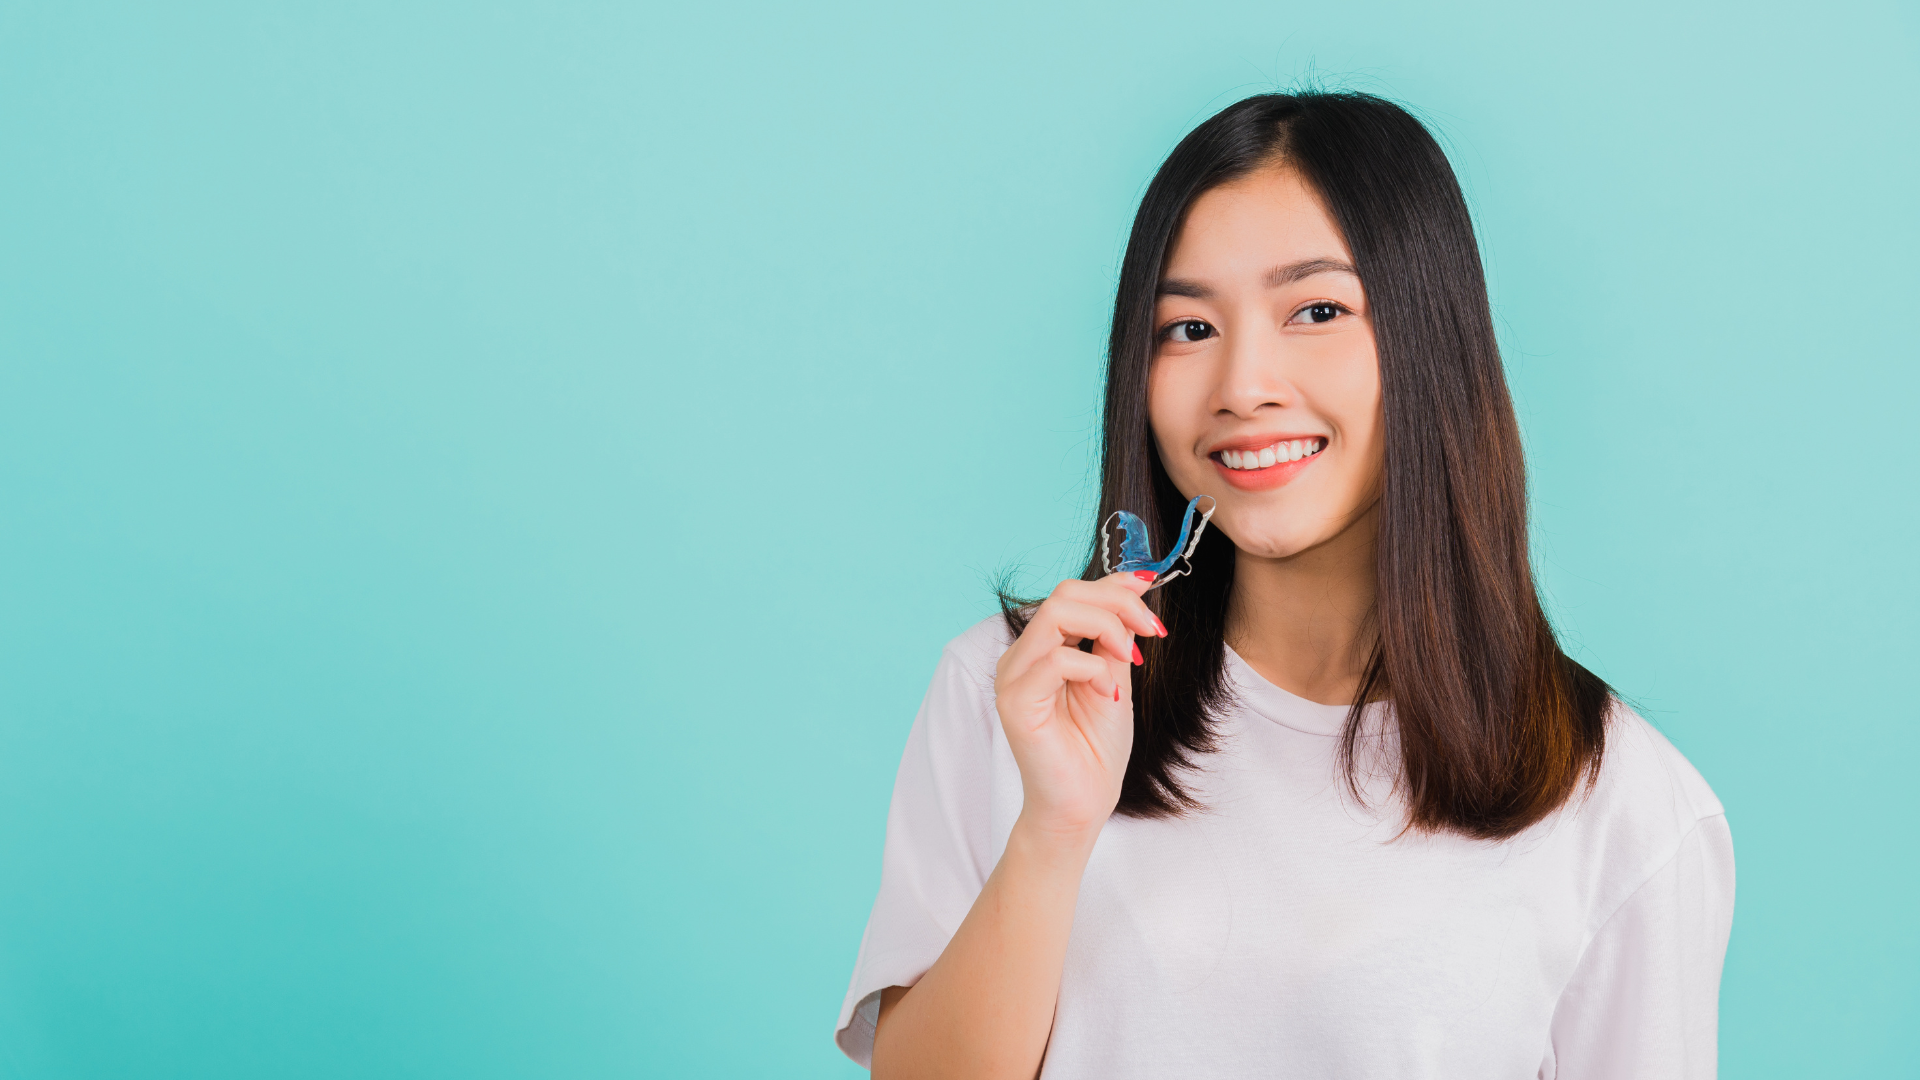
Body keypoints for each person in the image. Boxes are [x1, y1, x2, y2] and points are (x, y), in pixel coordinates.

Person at [835, 92, 1734, 1079]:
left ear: (1430, 341)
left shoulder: (1627, 810)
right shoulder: (1017, 695)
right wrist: (1053, 834)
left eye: (1316, 310)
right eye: (1185, 328)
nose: (1242, 385)